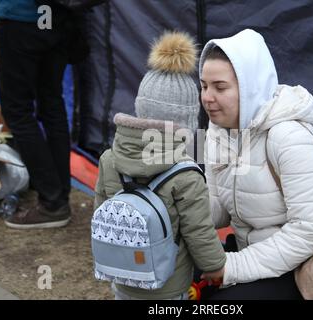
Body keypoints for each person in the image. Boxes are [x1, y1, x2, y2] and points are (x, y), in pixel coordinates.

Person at [199, 29, 313, 299]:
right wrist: (178, 206)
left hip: (307, 269)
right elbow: (219, 209)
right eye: (204, 86)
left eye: (220, 87)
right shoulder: (219, 132)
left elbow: (312, 229)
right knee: (175, 272)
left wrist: (233, 267)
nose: (207, 97)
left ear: (250, 87)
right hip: (252, 252)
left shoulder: (289, 136)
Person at [94, 31, 226, 300]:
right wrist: (215, 267)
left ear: (140, 109)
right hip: (168, 286)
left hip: (122, 276)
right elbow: (198, 231)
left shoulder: (109, 159)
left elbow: (101, 212)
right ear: (187, 121)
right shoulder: (186, 173)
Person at [0, 0, 72, 228]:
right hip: (56, 21)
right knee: (52, 106)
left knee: (18, 112)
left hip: (20, 19)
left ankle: (53, 202)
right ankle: (58, 196)